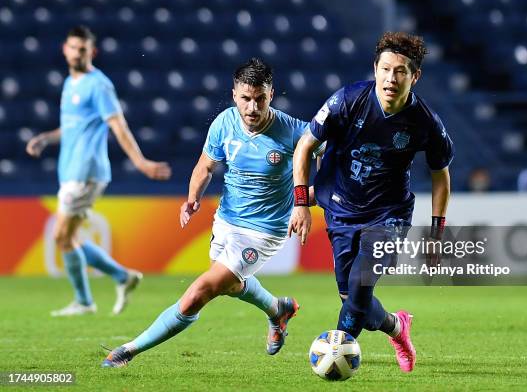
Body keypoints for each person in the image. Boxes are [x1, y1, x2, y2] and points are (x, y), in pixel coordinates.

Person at [102, 58, 319, 367]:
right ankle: (277, 309)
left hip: (264, 231)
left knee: (199, 291)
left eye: (260, 98)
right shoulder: (224, 123)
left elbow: (331, 158)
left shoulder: (293, 130)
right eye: (246, 98)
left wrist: (306, 200)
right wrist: (192, 198)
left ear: (271, 94)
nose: (253, 107)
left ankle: (128, 351)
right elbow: (205, 166)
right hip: (227, 221)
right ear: (234, 95)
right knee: (229, 285)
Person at [288, 32, 454, 373]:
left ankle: (335, 358)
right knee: (353, 300)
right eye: (386, 69)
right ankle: (397, 326)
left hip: (389, 215)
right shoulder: (347, 100)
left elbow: (441, 175)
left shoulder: (425, 123)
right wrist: (301, 203)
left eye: (401, 72)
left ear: (415, 76)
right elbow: (304, 147)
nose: (391, 78)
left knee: (360, 286)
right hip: (340, 209)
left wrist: (437, 234)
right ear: (375, 69)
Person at [25, 26, 171, 316]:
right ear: (64, 49)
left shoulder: (98, 85)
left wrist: (141, 162)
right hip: (71, 171)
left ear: (92, 52)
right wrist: (45, 138)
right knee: (69, 238)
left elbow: (119, 126)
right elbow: (70, 126)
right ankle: (122, 276)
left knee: (61, 238)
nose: (77, 53)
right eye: (73, 47)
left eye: (83, 49)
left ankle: (84, 301)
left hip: (86, 171)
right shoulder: (70, 83)